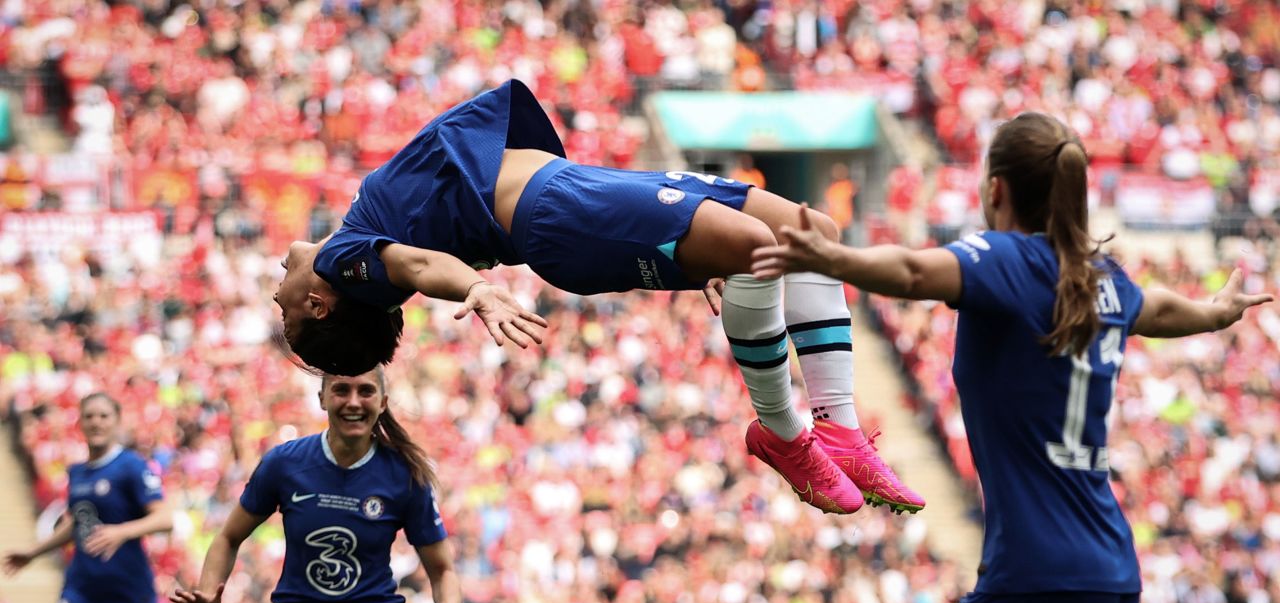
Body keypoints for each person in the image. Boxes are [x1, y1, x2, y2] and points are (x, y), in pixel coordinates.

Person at [751, 112, 1273, 603]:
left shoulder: (1009, 261)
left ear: (995, 189)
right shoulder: (1099, 280)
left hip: (1035, 572)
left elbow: (918, 272)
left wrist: (832, 260)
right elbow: (1154, 309)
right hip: (1111, 574)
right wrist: (1213, 314)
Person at [272, 79, 924, 516]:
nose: (279, 283)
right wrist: (479, 290)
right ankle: (785, 434)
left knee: (813, 235)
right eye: (283, 306)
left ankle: (837, 428)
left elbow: (414, 253)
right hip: (558, 211)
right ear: (318, 304)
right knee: (757, 247)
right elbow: (415, 263)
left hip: (576, 190)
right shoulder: (346, 257)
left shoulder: (363, 240)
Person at [167, 368, 463, 603]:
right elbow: (229, 537)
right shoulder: (285, 463)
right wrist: (207, 592)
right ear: (322, 398)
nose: (353, 402)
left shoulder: (404, 474)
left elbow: (442, 567)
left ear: (382, 402)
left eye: (365, 391)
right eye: (341, 390)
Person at [3, 392, 186, 603]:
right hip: (83, 588)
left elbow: (164, 519)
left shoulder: (131, 466)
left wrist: (121, 531)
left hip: (128, 593)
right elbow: (77, 521)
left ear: (116, 421)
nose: (96, 422)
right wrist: (34, 552)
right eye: (89, 416)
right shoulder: (78, 473)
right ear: (81, 422)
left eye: (103, 416)